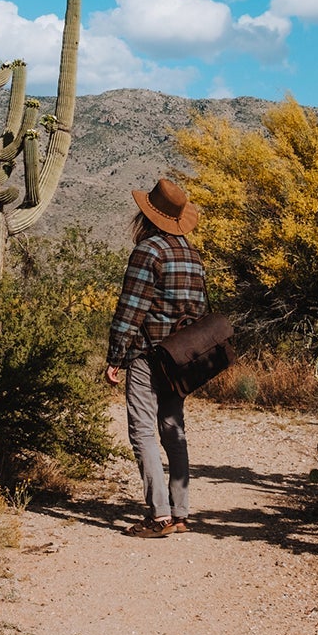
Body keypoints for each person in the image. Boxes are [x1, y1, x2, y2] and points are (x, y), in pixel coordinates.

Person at [105, 177, 208, 538]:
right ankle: (180, 514)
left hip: (146, 354)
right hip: (180, 357)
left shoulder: (148, 251)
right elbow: (200, 311)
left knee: (143, 431)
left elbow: (131, 309)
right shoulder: (192, 254)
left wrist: (115, 356)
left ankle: (159, 515)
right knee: (173, 429)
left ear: (148, 214)